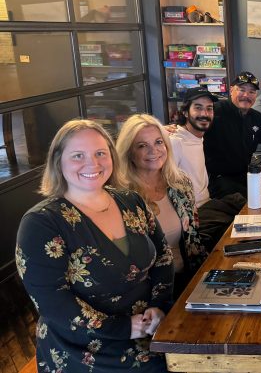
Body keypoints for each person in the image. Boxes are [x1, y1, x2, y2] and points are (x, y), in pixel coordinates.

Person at [16, 119, 173, 372]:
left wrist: (160, 306)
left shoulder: (131, 200)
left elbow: (163, 257)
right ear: (58, 161)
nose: (93, 163)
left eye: (100, 153)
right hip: (83, 347)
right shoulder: (41, 223)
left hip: (148, 329)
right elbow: (51, 300)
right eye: (78, 155)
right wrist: (121, 328)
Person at [116, 114, 208, 295]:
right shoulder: (121, 197)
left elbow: (193, 240)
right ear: (129, 153)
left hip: (187, 281)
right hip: (147, 293)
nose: (154, 151)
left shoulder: (180, 182)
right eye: (142, 145)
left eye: (158, 142)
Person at [168, 87, 247, 251]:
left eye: (209, 109)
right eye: (198, 108)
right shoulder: (176, 141)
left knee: (243, 201)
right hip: (195, 213)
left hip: (209, 204)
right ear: (185, 112)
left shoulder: (198, 137)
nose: (204, 114)